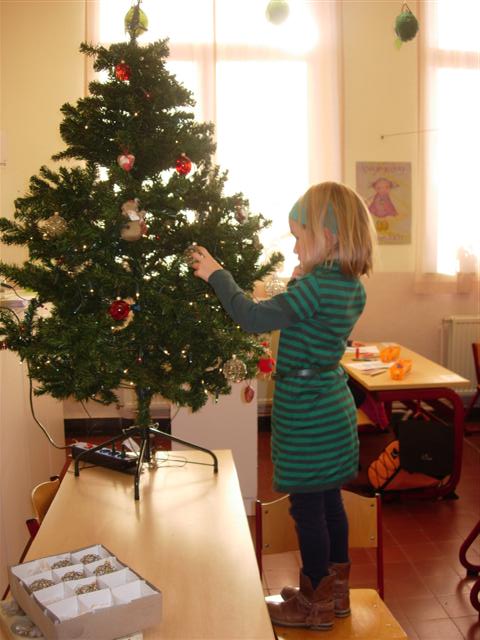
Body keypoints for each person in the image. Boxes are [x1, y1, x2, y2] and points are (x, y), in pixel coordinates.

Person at [190, 181, 376, 631]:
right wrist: (299, 279)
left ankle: (314, 605)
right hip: (331, 405)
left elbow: (252, 317)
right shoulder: (349, 286)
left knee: (307, 511)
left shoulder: (316, 287)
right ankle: (335, 595)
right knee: (330, 504)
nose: (294, 246)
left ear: (327, 236)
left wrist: (217, 274)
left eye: (298, 237)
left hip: (308, 410)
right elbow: (311, 321)